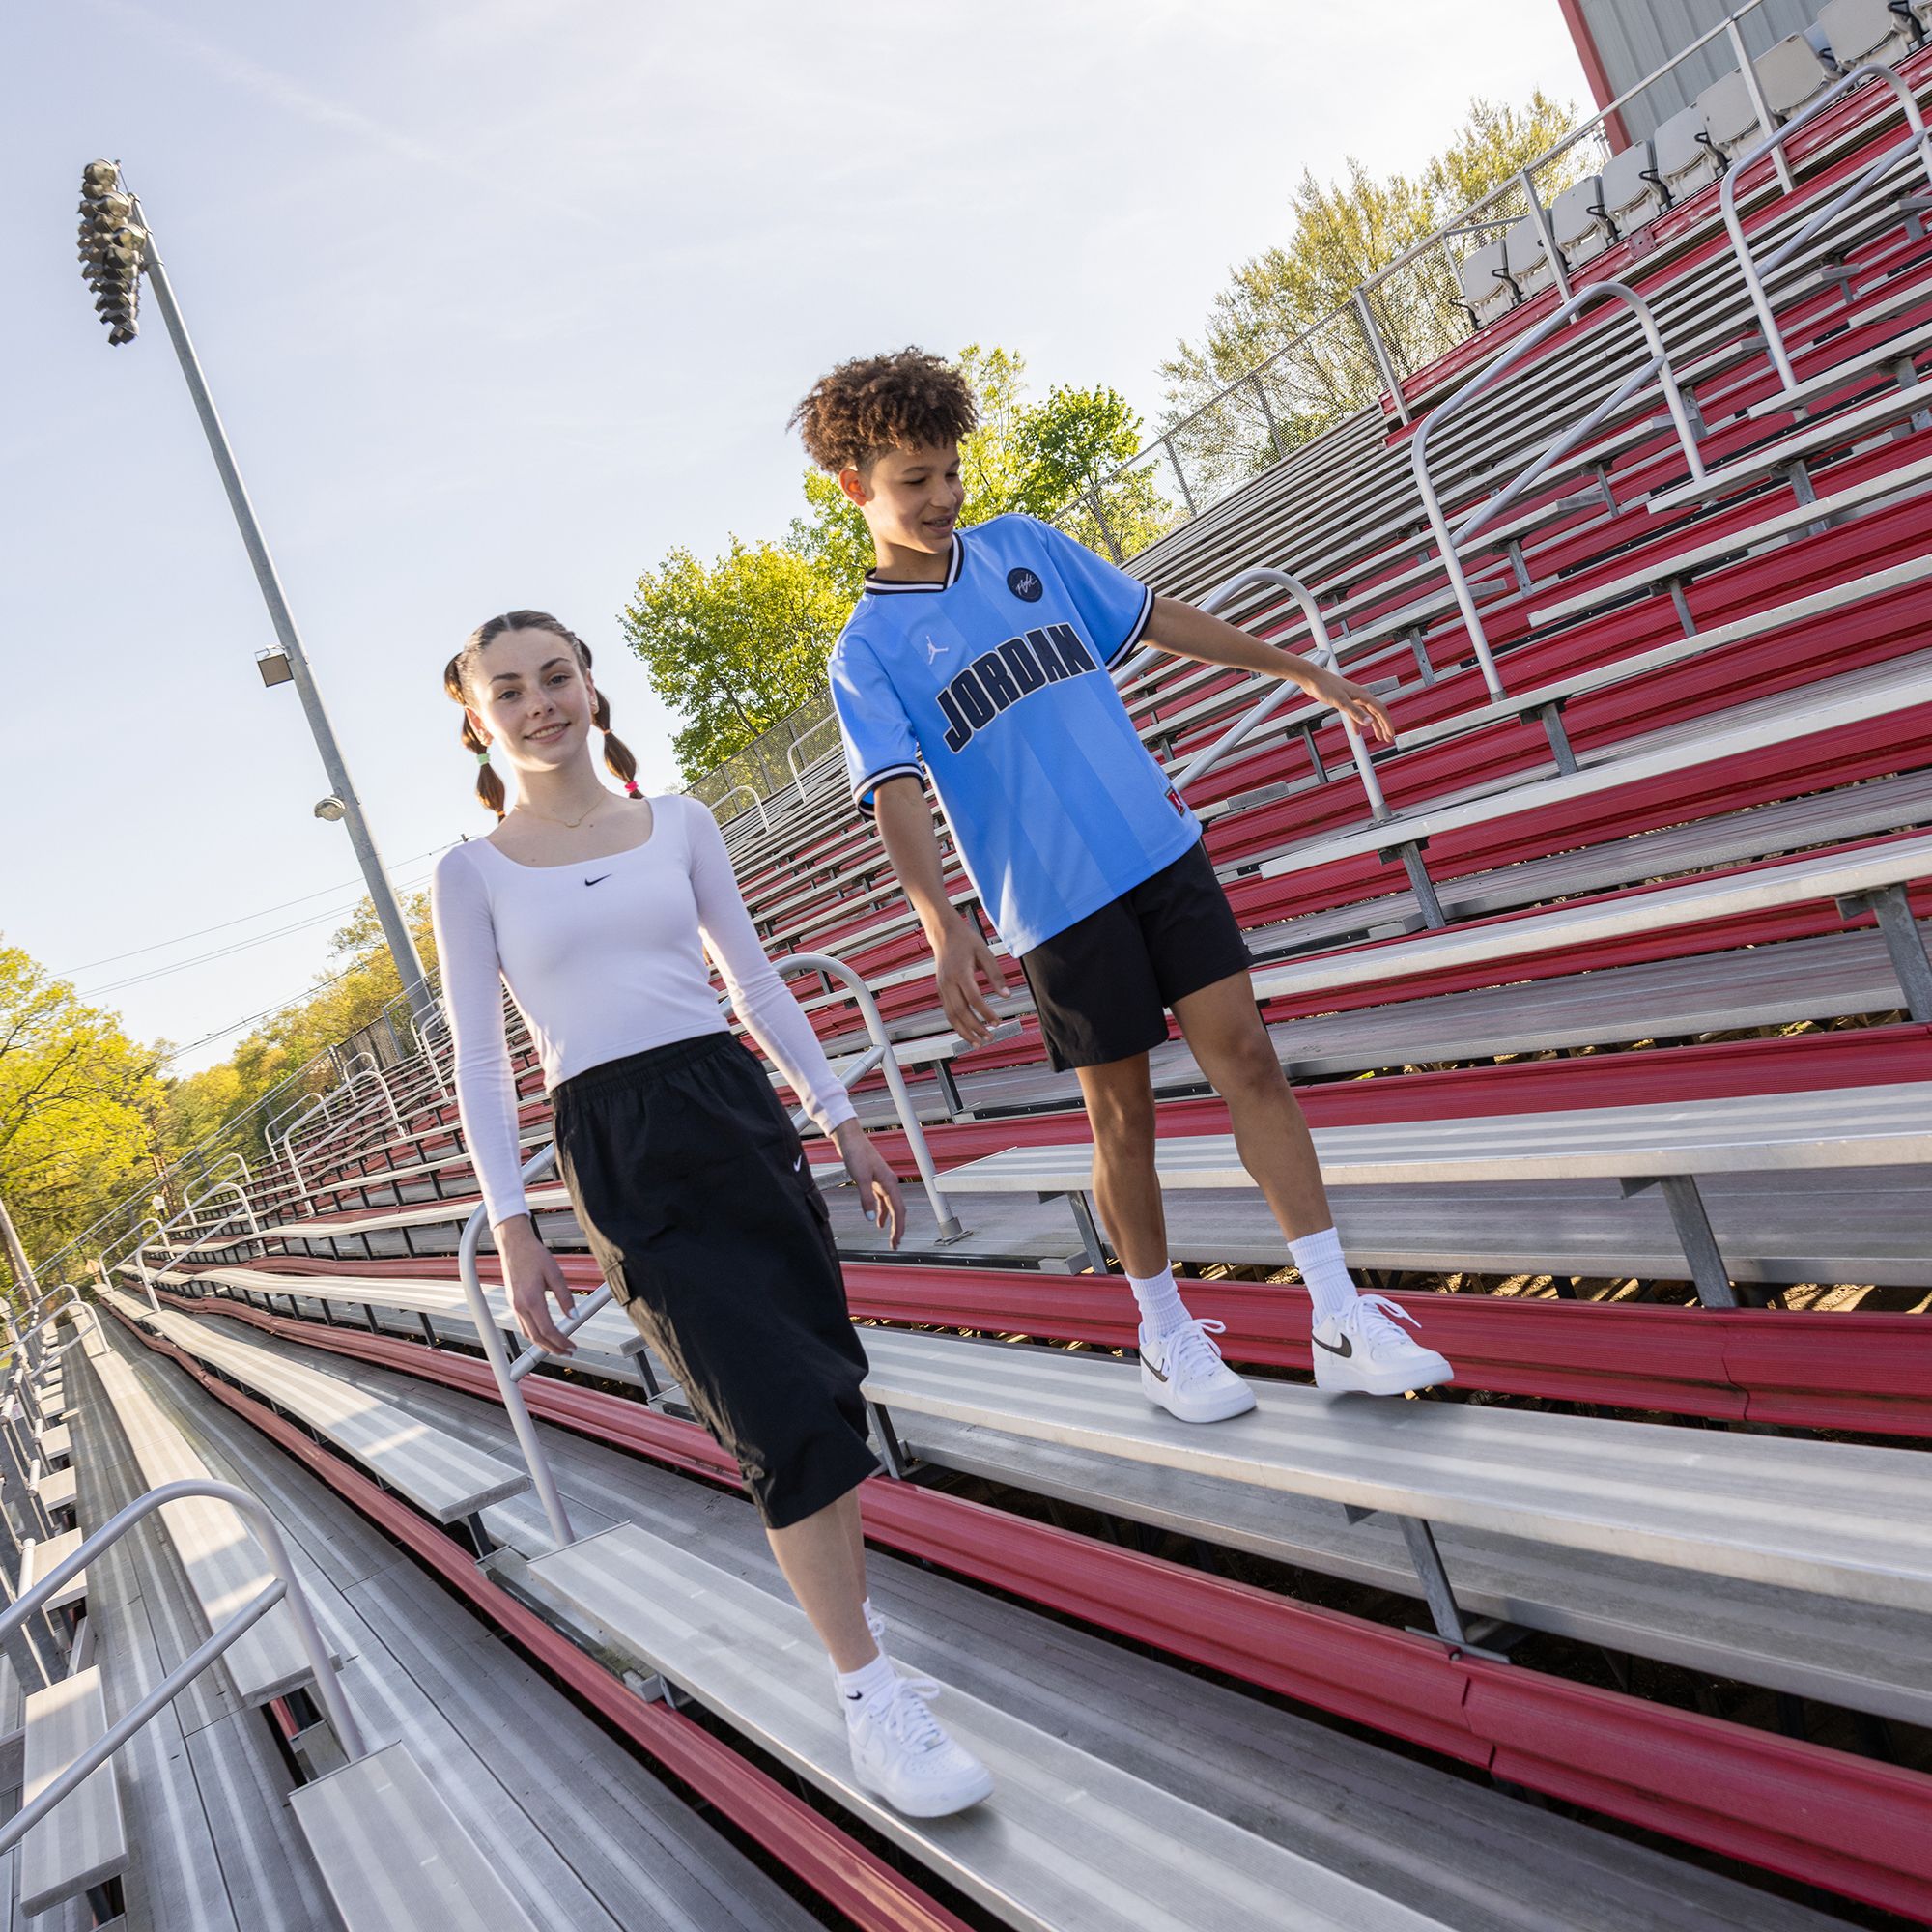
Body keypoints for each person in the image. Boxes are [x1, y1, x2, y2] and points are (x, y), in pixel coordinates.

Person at [797, 350, 1454, 1418]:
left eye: (949, 471)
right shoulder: (865, 648)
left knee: (1248, 1056)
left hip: (1158, 846)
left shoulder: (1024, 549)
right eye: (912, 478)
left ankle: (1338, 1311)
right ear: (853, 487)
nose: (939, 496)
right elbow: (896, 794)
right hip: (1052, 903)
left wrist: (1296, 667)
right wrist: (937, 919)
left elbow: (1156, 617)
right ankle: (1162, 1332)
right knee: (1124, 1121)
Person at [429, 611, 993, 1818]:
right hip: (619, 1144)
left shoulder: (678, 821)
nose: (540, 703)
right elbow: (482, 1059)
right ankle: (865, 1697)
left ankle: (863, 1644)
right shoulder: (468, 871)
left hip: (733, 1104)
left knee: (823, 1387)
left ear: (591, 686)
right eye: (510, 690)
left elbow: (750, 973)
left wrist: (838, 1112)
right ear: (477, 719)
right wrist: (512, 1222)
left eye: (557, 676)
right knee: (772, 1413)